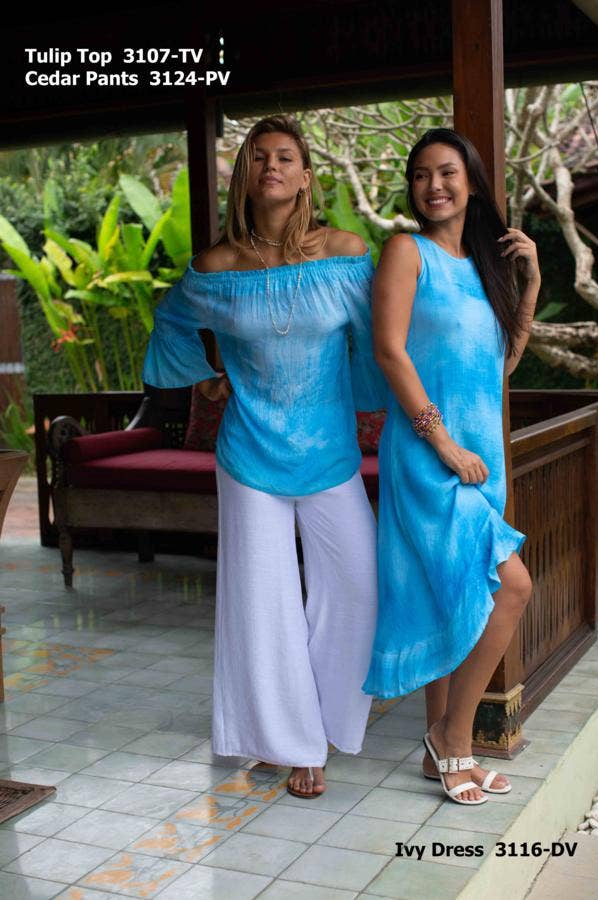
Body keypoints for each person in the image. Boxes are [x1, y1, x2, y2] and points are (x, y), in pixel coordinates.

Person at [142, 115, 386, 799]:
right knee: (262, 601)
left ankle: (322, 720)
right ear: (245, 177)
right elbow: (171, 320)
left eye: (284, 157)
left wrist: (399, 409)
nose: (270, 166)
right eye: (257, 157)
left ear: (305, 176)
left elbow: (379, 338)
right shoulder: (216, 267)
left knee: (360, 586)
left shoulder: (344, 254)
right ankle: (293, 744)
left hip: (330, 454)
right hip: (248, 453)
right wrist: (204, 377)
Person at [362, 128, 540, 805]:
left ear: (471, 183)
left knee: (453, 598)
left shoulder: (483, 267)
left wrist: (530, 284)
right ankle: (453, 737)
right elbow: (389, 351)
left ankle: (436, 755)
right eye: (420, 174)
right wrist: (441, 443)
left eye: (446, 172)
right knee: (511, 586)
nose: (433, 185)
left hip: (479, 458)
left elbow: (501, 365)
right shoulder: (406, 252)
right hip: (428, 455)